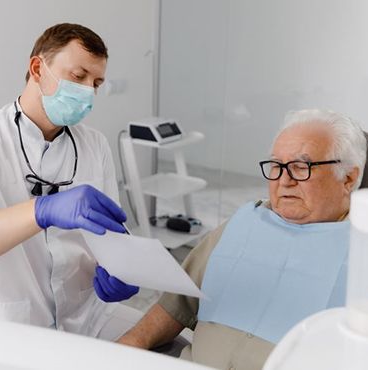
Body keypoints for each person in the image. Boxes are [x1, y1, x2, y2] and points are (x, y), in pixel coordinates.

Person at [118, 109, 367, 370]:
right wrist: (127, 346)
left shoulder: (359, 250)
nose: (284, 181)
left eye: (299, 167)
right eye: (276, 166)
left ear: (348, 177)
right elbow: (176, 304)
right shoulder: (244, 222)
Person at [0, 23, 139, 339]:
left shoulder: (95, 144)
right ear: (37, 68)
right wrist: (41, 210)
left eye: (97, 82)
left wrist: (123, 269)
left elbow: (113, 232)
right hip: (14, 324)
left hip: (86, 314)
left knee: (173, 348)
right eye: (79, 76)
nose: (89, 90)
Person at [0, 185, 126, 257]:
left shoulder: (96, 144)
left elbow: (113, 235)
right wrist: (42, 209)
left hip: (90, 300)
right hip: (22, 302)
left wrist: (122, 272)